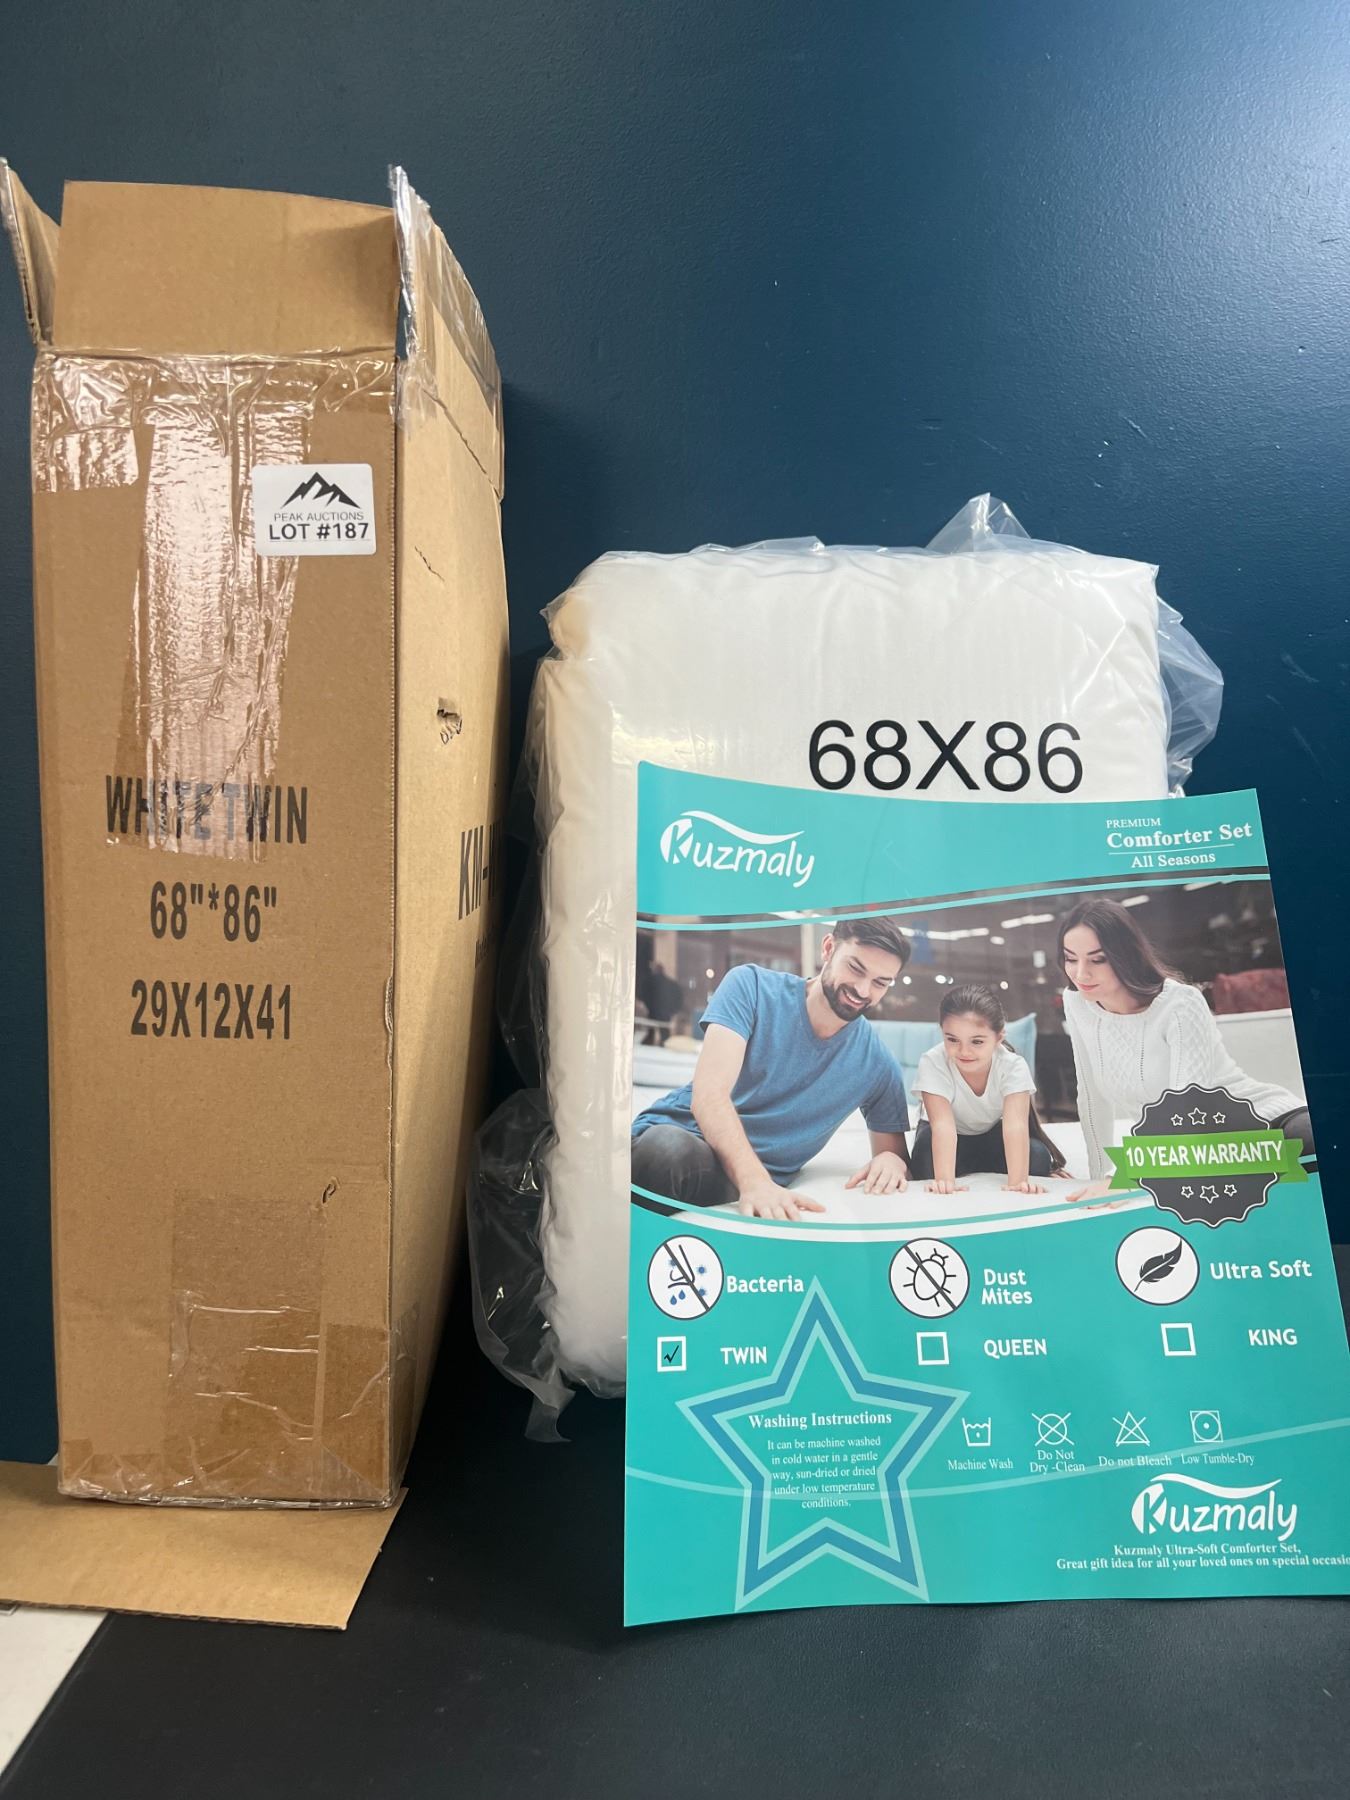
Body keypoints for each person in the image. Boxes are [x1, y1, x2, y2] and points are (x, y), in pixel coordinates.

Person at [631, 917, 913, 1220]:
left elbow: (896, 1158)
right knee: (667, 1150)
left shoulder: (879, 1065)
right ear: (828, 948)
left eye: (880, 983)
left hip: (730, 1179)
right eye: (855, 968)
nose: (862, 989)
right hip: (679, 1141)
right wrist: (755, 1182)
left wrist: (893, 1161)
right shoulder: (751, 986)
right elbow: (709, 1096)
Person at [1057, 897, 1314, 1202]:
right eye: (1070, 958)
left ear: (1125, 955)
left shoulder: (1180, 1003)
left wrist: (1123, 1177)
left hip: (1264, 1124)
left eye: (1097, 960)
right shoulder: (1078, 1003)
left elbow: (1187, 1107)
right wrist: (1098, 1181)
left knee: (1312, 1145)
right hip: (1195, 1154)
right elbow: (1091, 1097)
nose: (1080, 974)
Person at [910, 984, 1066, 1194]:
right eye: (952, 1039)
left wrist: (1018, 1182)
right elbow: (943, 1126)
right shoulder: (933, 1061)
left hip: (989, 1133)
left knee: (1038, 1158)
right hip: (946, 1134)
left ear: (998, 1038)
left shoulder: (1012, 1065)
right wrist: (945, 1182)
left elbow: (1015, 1125)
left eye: (977, 1042)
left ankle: (977, 1163)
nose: (964, 1051)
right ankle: (966, 1165)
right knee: (924, 1162)